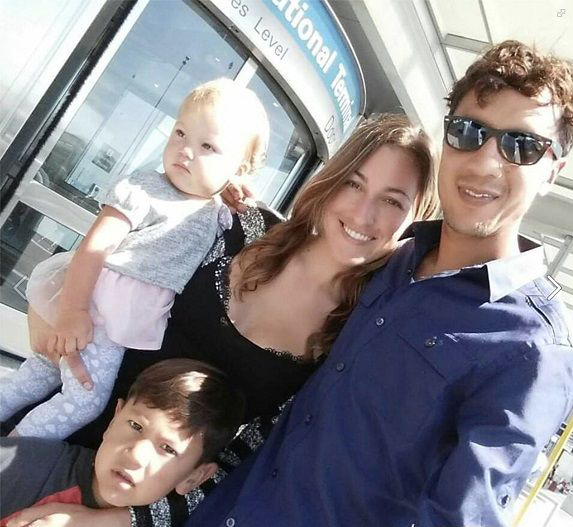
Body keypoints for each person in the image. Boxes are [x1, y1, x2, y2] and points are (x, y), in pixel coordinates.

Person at [173, 40, 573, 527]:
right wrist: (219, 192)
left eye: (522, 146)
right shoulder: (391, 263)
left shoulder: (531, 348)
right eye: (469, 132)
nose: (485, 162)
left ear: (553, 170)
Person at [11, 113, 440, 527]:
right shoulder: (233, 226)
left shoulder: (346, 343)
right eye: (353, 183)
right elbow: (106, 271)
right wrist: (52, 317)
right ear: (331, 180)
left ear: (416, 219)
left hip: (117, 507)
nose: (364, 214)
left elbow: (237, 468)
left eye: (392, 201)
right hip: (35, 436)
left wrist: (116, 521)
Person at [0, 78, 269, 439]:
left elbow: (256, 226)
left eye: (207, 146)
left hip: (117, 319)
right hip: (99, 313)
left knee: (34, 378)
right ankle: (14, 455)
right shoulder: (147, 189)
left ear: (239, 168)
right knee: (83, 401)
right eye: (180, 133)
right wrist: (73, 311)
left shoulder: (216, 210)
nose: (185, 151)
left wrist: (236, 191)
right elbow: (93, 249)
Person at [0, 358, 245, 526]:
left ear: (193, 478)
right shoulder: (24, 464)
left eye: (168, 449)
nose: (136, 454)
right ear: (114, 418)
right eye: (136, 426)